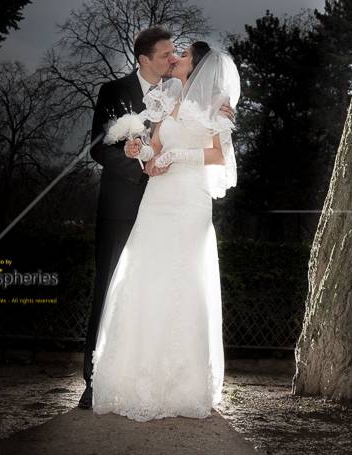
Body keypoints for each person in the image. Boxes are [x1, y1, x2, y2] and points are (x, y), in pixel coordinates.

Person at [79, 27, 233, 410]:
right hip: (128, 206)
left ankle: (171, 376)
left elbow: (211, 149)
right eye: (165, 54)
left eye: (176, 55)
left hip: (177, 202)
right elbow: (102, 148)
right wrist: (138, 156)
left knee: (170, 288)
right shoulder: (115, 92)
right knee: (115, 288)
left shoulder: (197, 98)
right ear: (144, 59)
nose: (172, 58)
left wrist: (221, 118)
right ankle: (96, 379)